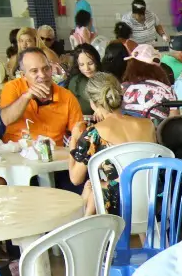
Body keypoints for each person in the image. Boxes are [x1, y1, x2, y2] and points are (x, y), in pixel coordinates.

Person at [66, 73, 154, 214]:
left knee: (92, 187)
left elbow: (75, 179)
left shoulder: (93, 134)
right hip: (152, 201)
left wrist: (74, 139)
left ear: (93, 103)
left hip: (118, 207)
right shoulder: (148, 124)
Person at [0, 47, 80, 144]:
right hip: (16, 150)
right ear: (23, 75)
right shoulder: (13, 87)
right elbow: (6, 119)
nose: (42, 75)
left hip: (53, 153)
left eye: (46, 68)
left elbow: (78, 130)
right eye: (34, 71)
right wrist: (26, 97)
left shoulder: (66, 96)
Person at [62, 44, 103, 114]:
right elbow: (91, 96)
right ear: (77, 65)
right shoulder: (76, 80)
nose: (87, 68)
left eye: (90, 63)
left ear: (97, 61)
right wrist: (99, 109)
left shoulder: (103, 76)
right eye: (81, 65)